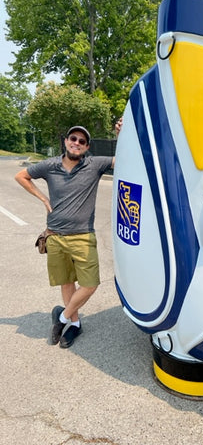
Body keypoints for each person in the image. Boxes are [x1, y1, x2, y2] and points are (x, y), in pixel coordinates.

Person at [15, 119, 122, 348]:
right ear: (65, 141)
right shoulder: (50, 165)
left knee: (90, 284)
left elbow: (124, 159)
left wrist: (121, 135)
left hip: (83, 236)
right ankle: (74, 324)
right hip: (54, 235)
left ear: (86, 147)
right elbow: (21, 176)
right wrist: (43, 198)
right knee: (66, 282)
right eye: (73, 138)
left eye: (82, 141)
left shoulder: (94, 164)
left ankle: (61, 317)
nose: (76, 143)